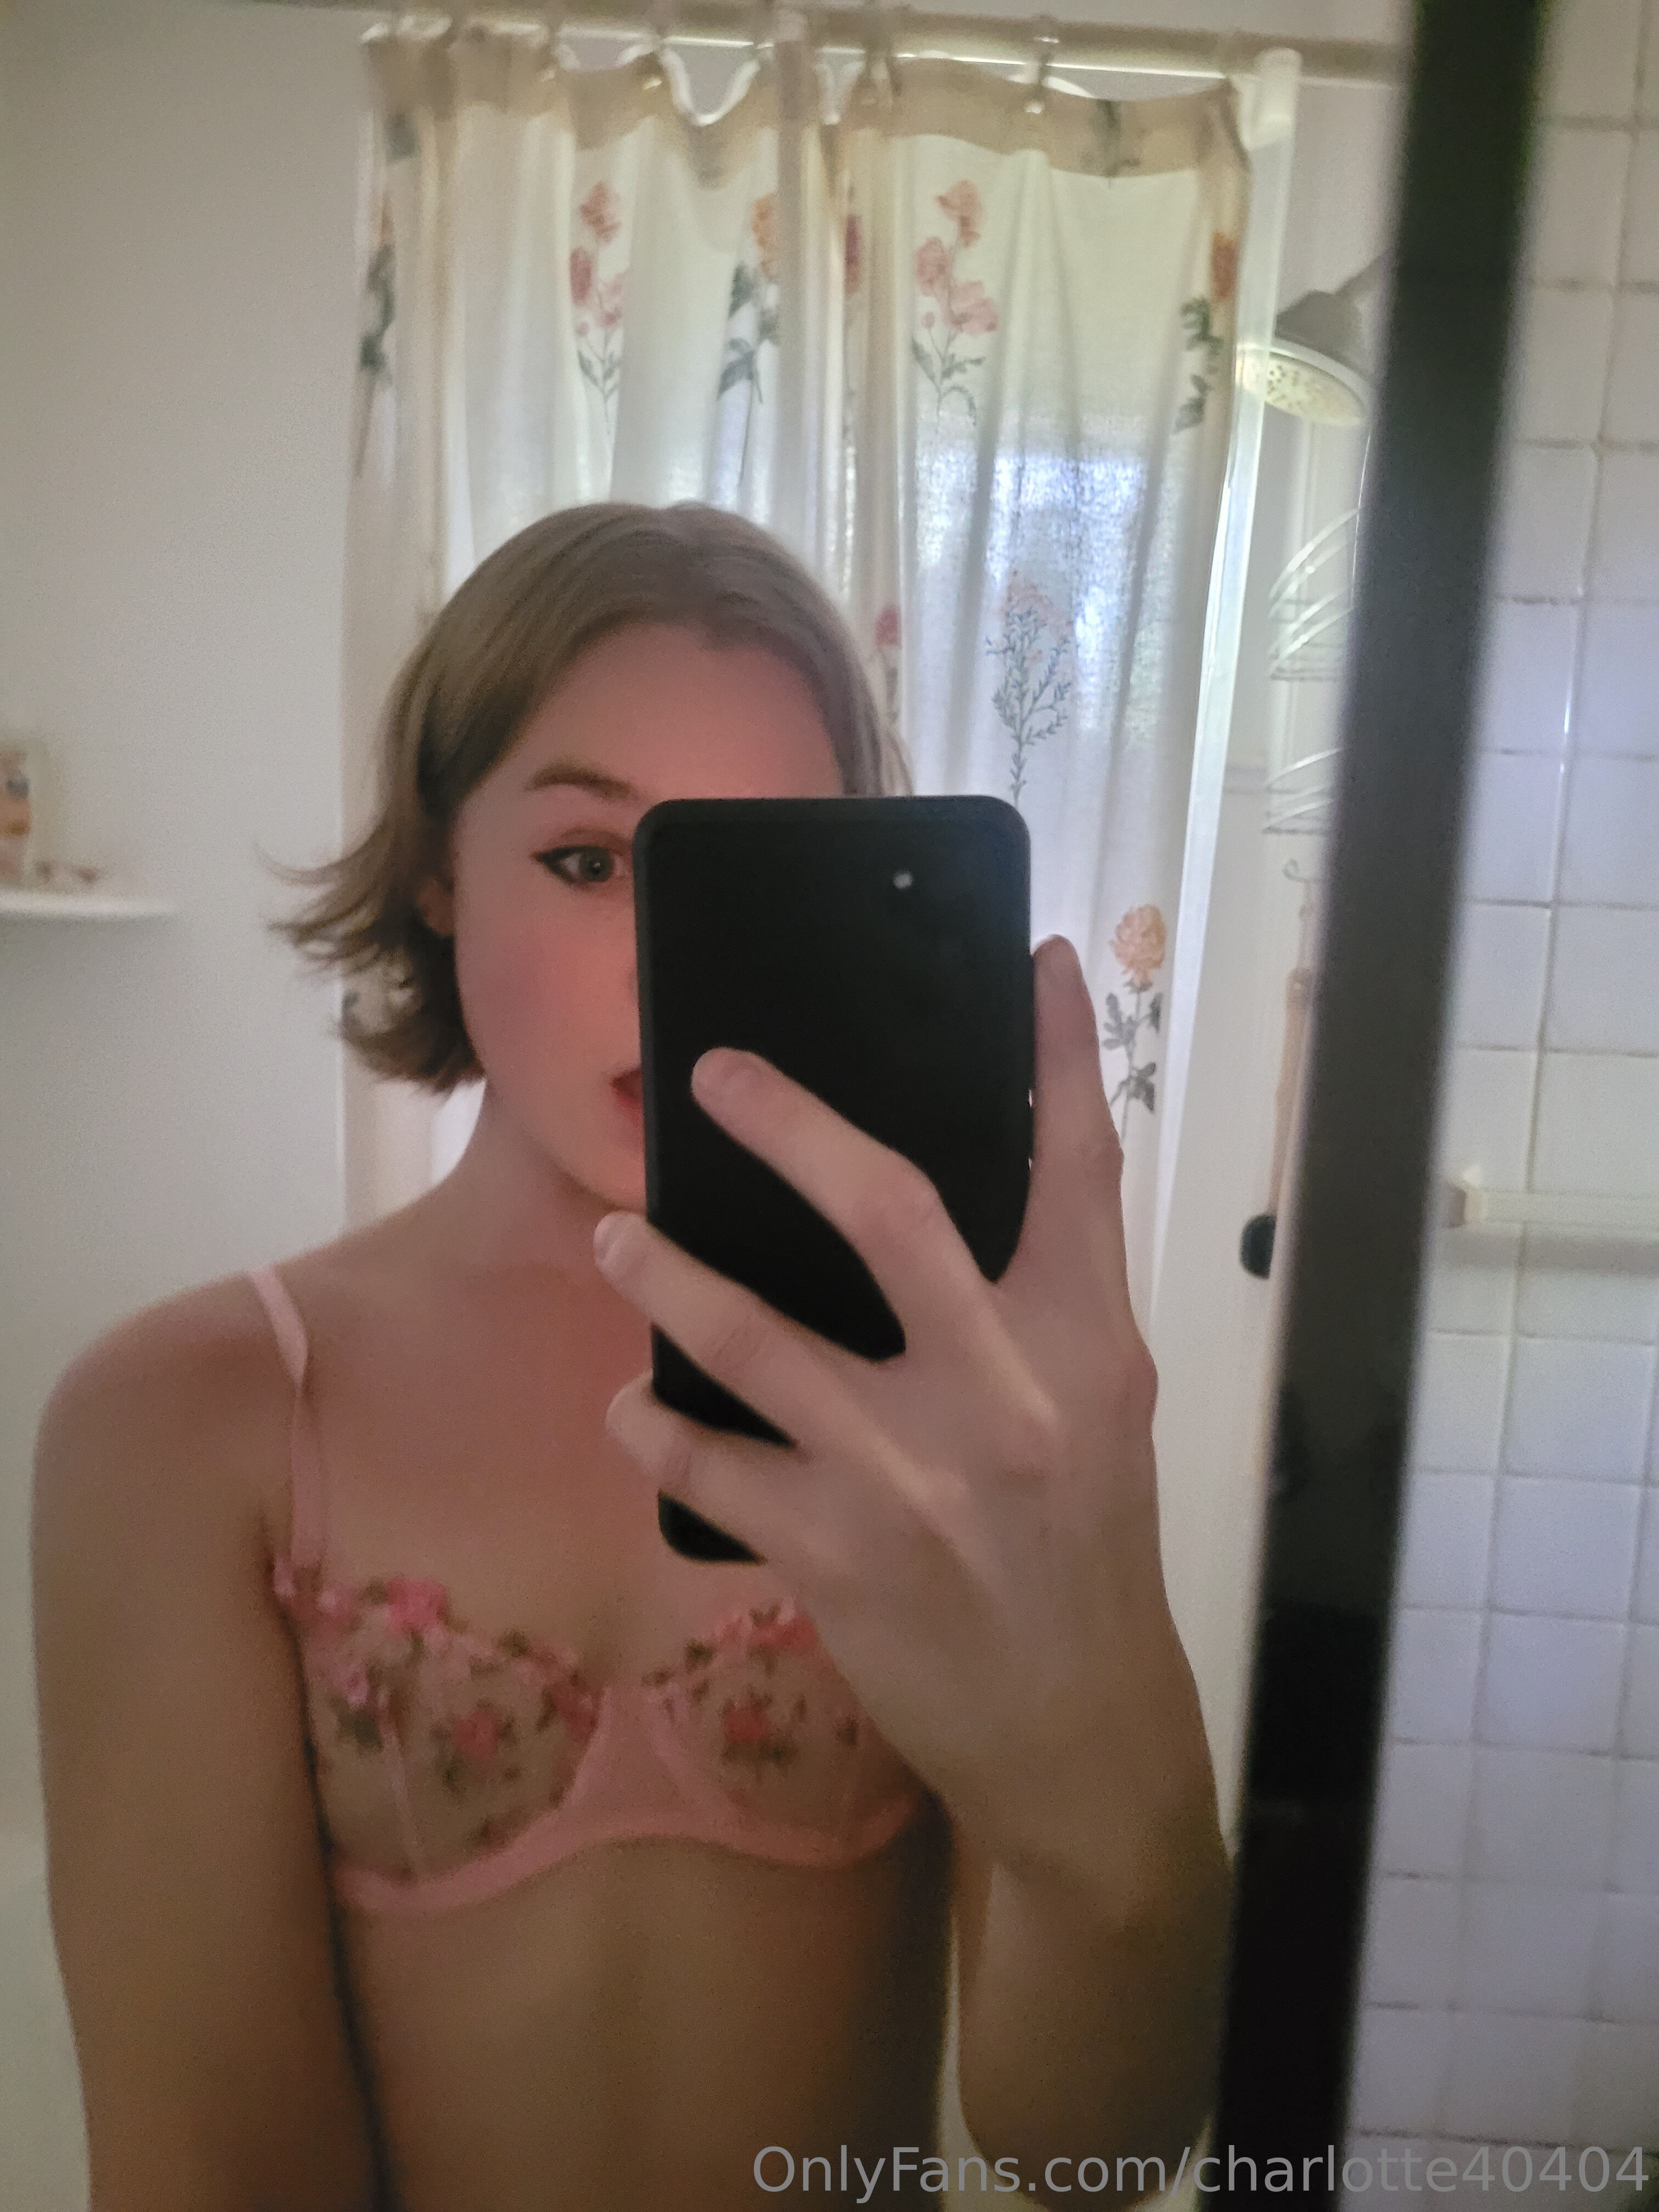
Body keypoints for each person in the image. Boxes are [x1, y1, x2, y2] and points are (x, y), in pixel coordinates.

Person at [33, 503, 1230, 2212]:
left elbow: (1091, 2149)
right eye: (593, 862)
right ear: (440, 865)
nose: (672, 968)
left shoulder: (952, 1393)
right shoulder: (190, 1421)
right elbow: (209, 2174)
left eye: (753, 874)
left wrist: (1121, 1790)